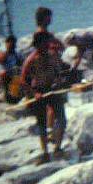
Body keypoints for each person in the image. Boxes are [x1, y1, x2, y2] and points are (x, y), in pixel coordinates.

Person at [21, 32, 69, 163]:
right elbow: (23, 80)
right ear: (37, 44)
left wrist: (58, 81)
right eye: (44, 42)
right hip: (39, 92)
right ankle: (45, 153)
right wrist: (33, 93)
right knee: (41, 124)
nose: (47, 45)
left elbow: (57, 71)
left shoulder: (52, 56)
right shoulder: (31, 59)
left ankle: (58, 148)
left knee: (62, 120)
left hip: (52, 90)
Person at [64, 30, 93, 99]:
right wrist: (73, 69)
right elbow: (79, 57)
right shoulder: (79, 45)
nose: (71, 45)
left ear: (72, 40)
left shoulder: (83, 36)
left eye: (71, 43)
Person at [0, 35, 24, 103]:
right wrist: (7, 52)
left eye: (13, 43)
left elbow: (22, 63)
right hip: (2, 74)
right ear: (6, 43)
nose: (12, 45)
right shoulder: (1, 52)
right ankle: (7, 94)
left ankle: (15, 94)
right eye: (10, 43)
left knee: (17, 71)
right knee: (4, 73)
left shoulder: (17, 54)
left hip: (13, 74)